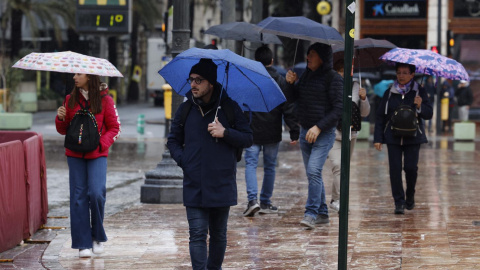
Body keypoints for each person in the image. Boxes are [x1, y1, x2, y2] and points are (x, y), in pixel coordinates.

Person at [167, 58, 253, 269]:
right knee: (196, 234)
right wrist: (184, 160)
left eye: (199, 80)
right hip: (194, 182)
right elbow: (173, 140)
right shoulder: (186, 109)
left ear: (211, 84)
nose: (193, 84)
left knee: (218, 235)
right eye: (191, 80)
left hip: (221, 181)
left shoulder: (230, 108)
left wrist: (225, 132)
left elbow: (248, 138)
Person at [55, 74, 121, 258]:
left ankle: (97, 236)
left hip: (97, 154)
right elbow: (63, 130)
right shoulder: (70, 99)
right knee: (78, 197)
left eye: (79, 74)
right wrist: (60, 118)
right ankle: (82, 243)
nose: (75, 77)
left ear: (90, 76)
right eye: (74, 74)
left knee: (96, 193)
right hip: (74, 154)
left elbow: (115, 127)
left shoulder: (106, 100)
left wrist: (101, 144)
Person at [284, 42, 343, 229]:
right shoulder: (307, 76)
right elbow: (294, 98)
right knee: (313, 175)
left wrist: (318, 127)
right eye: (308, 53)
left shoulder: (333, 78)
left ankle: (310, 213)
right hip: (305, 132)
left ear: (323, 57)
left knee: (313, 171)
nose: (308, 57)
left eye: (313, 54)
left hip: (323, 133)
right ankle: (323, 213)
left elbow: (339, 109)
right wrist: (290, 84)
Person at [243, 46, 300, 217]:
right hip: (272, 130)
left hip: (251, 129)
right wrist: (294, 130)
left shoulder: (250, 80)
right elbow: (288, 107)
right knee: (269, 167)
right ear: (272, 61)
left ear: (256, 61)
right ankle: (266, 202)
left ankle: (252, 201)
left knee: (251, 164)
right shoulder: (280, 81)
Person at [373, 63, 433, 215]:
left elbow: (429, 114)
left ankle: (410, 195)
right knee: (395, 170)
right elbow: (380, 116)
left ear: (412, 74)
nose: (401, 76)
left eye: (405, 73)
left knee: (410, 168)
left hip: (413, 137)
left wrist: (420, 106)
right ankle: (399, 202)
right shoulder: (389, 93)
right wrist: (378, 138)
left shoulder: (420, 91)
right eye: (399, 72)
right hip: (393, 137)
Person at [327, 60, 370, 212]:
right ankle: (341, 201)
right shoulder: (331, 85)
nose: (344, 74)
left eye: (346, 70)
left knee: (343, 168)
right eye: (340, 71)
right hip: (333, 133)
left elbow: (364, 113)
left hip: (351, 133)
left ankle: (334, 199)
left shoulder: (356, 86)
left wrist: (364, 99)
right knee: (338, 166)